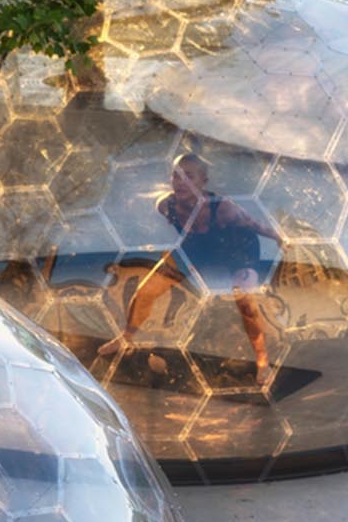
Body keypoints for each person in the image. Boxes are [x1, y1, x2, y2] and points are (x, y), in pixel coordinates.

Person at [97, 153, 281, 385]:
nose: (180, 182)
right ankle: (125, 338)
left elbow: (255, 226)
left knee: (246, 304)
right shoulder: (166, 205)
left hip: (236, 251)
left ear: (203, 181)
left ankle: (263, 363)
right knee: (147, 289)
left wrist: (280, 238)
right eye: (176, 176)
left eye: (188, 176)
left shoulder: (223, 208)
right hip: (198, 247)